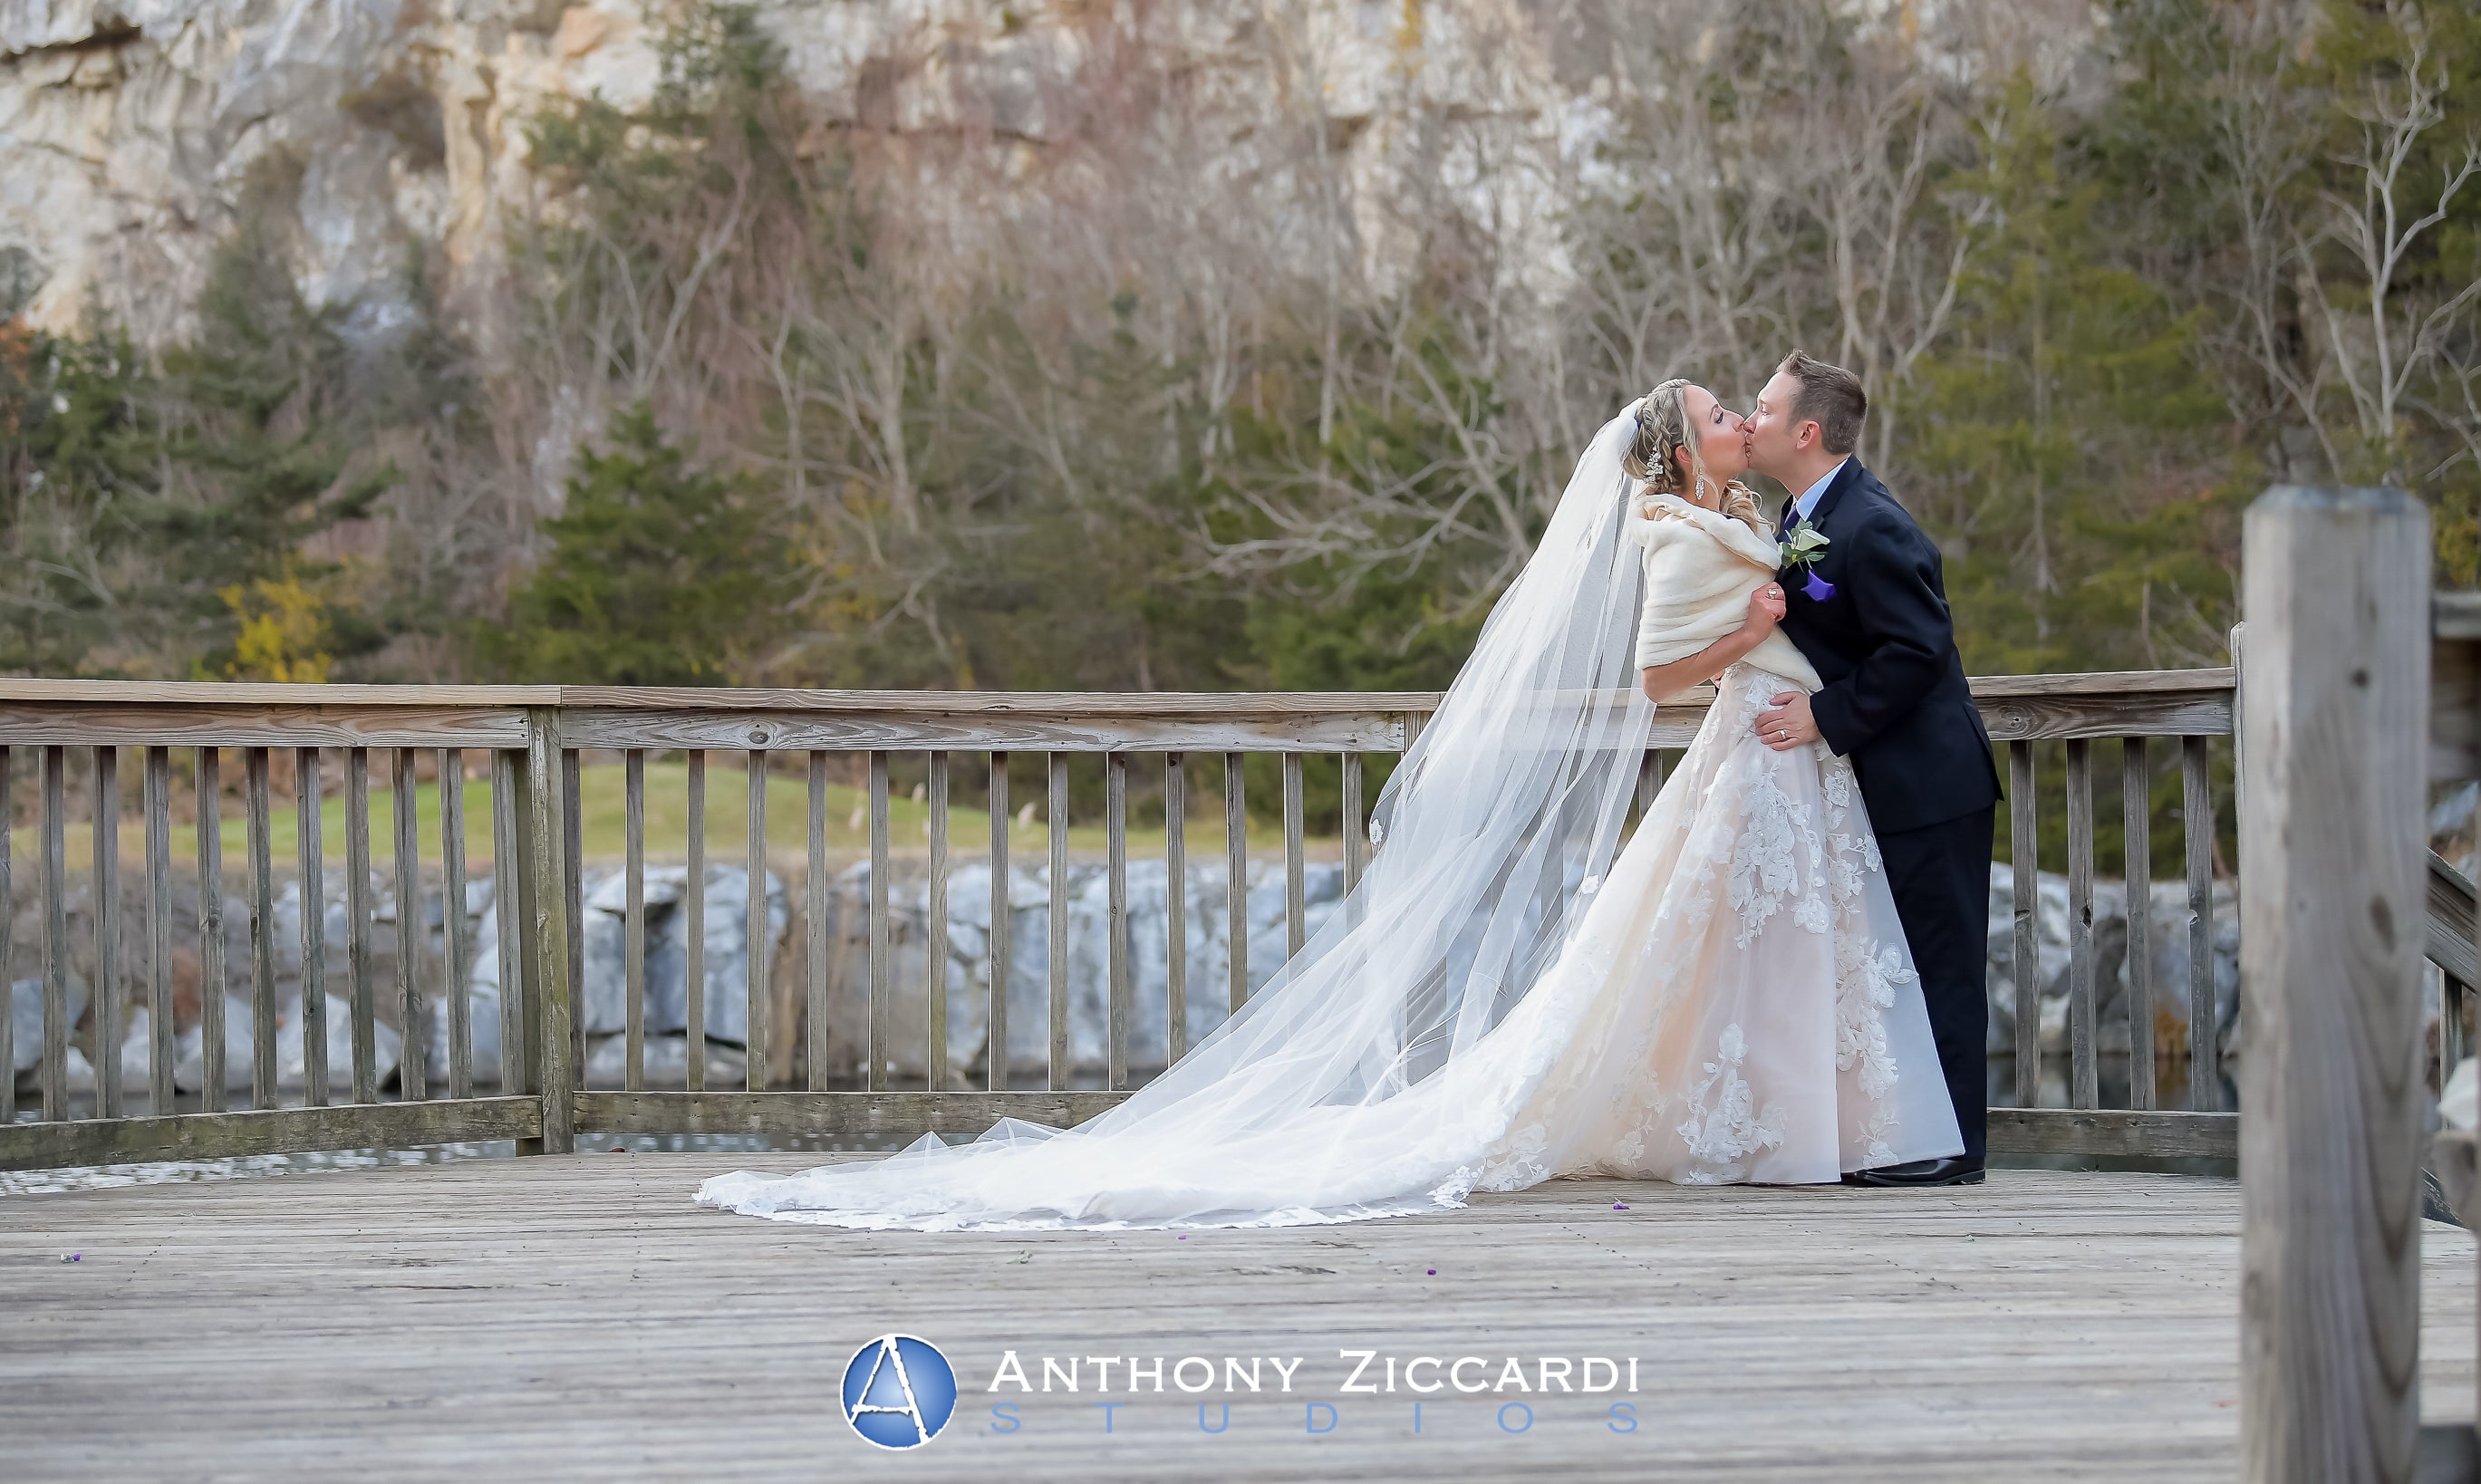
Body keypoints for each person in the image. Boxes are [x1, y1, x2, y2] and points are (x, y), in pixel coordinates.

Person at [694, 381, 1962, 1232]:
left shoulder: (1749, 511)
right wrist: (1750, 630)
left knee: (1741, 956)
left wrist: (1779, 652)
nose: (1742, 414)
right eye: (1719, 411)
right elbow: (1657, 670)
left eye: (1750, 405)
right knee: (1710, 954)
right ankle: (1778, 1128)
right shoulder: (1686, 528)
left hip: (1790, 758)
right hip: (1761, 752)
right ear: (1689, 448)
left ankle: (1806, 1126)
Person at [1742, 351, 2003, 1186]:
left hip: (1931, 782)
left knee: (1940, 963)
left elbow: (1918, 648)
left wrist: (1824, 716)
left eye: (1765, 406)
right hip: (1879, 783)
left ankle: (1953, 1149)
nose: (1752, 418)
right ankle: (1899, 1133)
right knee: (1891, 963)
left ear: (1806, 431)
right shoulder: (1799, 516)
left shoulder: (1873, 523)